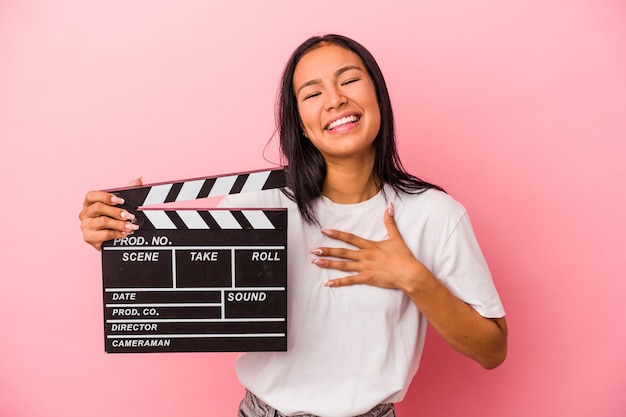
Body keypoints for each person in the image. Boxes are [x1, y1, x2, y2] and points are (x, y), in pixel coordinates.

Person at [79, 34, 507, 417]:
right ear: (300, 123)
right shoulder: (257, 205)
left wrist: (413, 277)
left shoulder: (434, 215)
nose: (335, 99)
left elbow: (492, 350)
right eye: (312, 92)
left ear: (378, 95)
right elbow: (187, 287)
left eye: (350, 80)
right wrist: (120, 238)